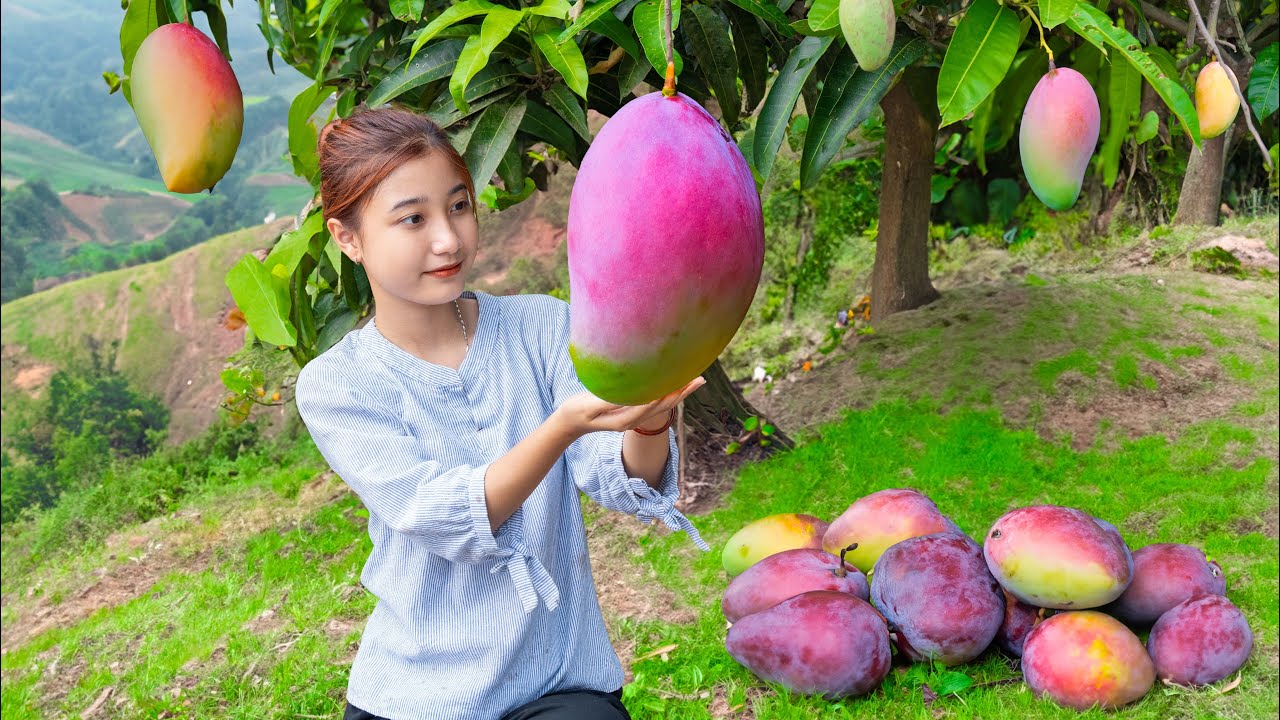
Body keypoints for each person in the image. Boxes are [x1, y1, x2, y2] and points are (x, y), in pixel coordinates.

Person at [293, 107, 708, 720]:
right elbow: (439, 514)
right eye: (413, 218)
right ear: (347, 238)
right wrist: (561, 425)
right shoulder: (336, 386)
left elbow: (615, 477)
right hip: (415, 694)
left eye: (458, 206)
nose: (448, 239)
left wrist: (648, 420)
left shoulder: (540, 328)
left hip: (556, 678)